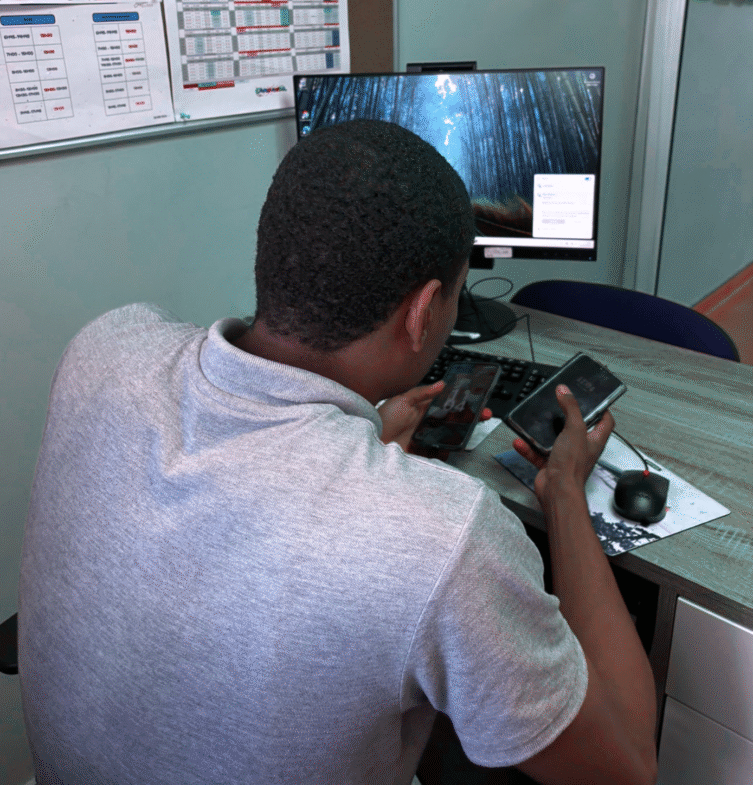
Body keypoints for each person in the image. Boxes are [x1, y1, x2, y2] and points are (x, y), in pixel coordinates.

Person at [19, 120, 657, 785]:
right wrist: (563, 493)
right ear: (423, 312)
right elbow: (626, 769)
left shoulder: (105, 350)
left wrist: (362, 442)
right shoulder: (442, 537)